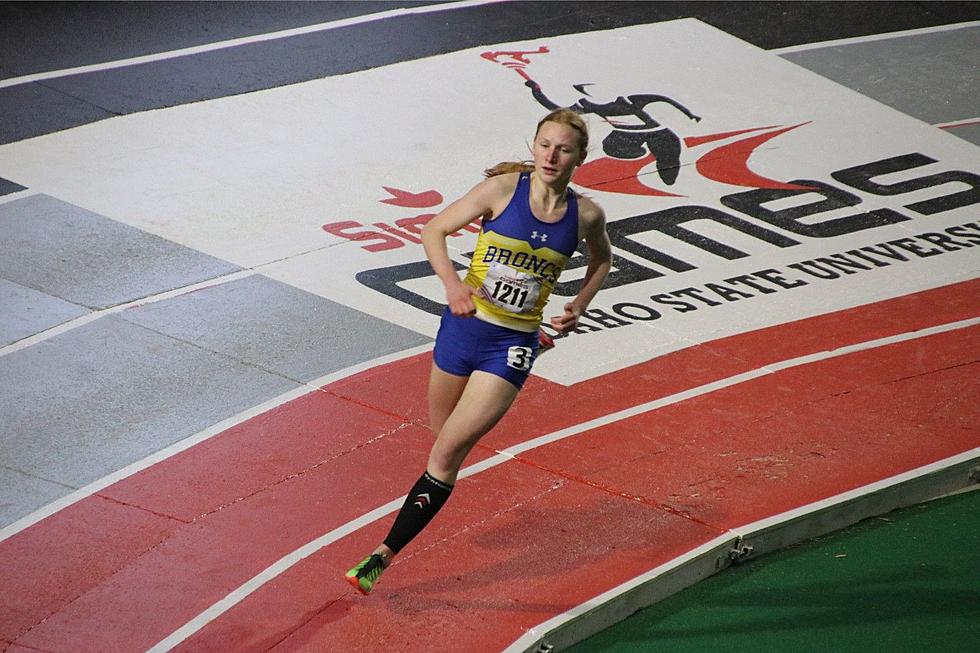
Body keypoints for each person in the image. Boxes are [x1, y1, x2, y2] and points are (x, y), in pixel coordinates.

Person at [345, 108, 612, 594]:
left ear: (580, 157)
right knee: (439, 435)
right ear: (533, 146)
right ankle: (532, 348)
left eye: (564, 149)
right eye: (544, 145)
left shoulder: (586, 214)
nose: (552, 156)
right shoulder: (502, 191)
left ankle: (381, 557)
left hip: (510, 345)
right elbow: (434, 230)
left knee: (447, 455)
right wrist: (452, 286)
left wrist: (578, 305)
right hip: (463, 329)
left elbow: (603, 259)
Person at [526, 80, 701, 186]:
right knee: (610, 145)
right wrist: (536, 91)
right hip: (624, 134)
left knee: (669, 158)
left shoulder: (631, 100)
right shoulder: (587, 104)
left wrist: (689, 114)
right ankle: (641, 156)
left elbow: (664, 99)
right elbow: (556, 109)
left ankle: (669, 182)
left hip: (655, 131)